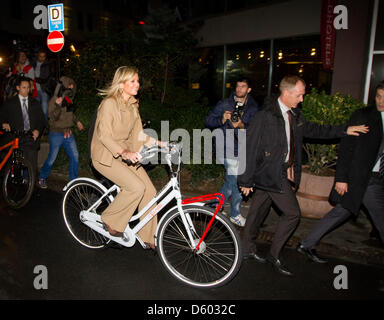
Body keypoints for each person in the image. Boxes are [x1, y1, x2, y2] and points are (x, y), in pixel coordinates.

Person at [237, 75, 369, 276]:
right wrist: (245, 180)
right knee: (292, 215)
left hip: (276, 173)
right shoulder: (266, 116)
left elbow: (316, 130)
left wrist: (345, 130)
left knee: (256, 213)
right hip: (272, 173)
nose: (302, 99)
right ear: (286, 93)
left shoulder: (295, 115)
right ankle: (274, 255)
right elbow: (250, 147)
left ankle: (246, 249)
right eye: (299, 95)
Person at [297, 81, 384, 262]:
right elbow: (347, 149)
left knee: (342, 211)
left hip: (377, 178)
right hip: (366, 180)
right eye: (378, 96)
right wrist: (341, 178)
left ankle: (306, 243)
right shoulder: (364, 116)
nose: (381, 101)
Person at [90, 66, 167, 249]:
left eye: (137, 81)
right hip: (105, 156)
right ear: (121, 83)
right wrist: (124, 152)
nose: (137, 84)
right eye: (132, 81)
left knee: (149, 191)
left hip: (125, 155)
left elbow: (139, 135)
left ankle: (148, 235)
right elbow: (104, 136)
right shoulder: (109, 104)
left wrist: (161, 144)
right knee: (135, 187)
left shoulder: (133, 105)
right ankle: (110, 219)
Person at [205, 78, 258, 226]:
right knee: (234, 181)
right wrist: (222, 119)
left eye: (243, 86)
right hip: (225, 148)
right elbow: (208, 121)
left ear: (249, 90)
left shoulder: (253, 107)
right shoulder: (224, 104)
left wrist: (241, 125)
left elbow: (254, 130)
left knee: (233, 182)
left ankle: (215, 206)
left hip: (242, 149)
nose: (239, 89)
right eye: (237, 86)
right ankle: (232, 213)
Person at [38, 76, 83, 188]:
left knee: (75, 156)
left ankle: (72, 182)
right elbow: (53, 119)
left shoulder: (69, 98)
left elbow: (70, 114)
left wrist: (77, 122)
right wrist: (58, 106)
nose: (72, 86)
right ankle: (42, 177)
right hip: (56, 134)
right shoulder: (54, 100)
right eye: (69, 84)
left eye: (72, 84)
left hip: (68, 133)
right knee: (52, 158)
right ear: (63, 85)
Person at [0, 77, 46, 176]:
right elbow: (2, 116)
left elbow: (41, 120)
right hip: (14, 136)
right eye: (24, 87)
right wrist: (3, 123)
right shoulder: (10, 103)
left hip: (29, 136)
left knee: (32, 165)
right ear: (18, 88)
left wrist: (37, 130)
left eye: (28, 87)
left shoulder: (35, 103)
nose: (26, 90)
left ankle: (31, 186)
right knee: (13, 165)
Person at [32, 49, 53, 120]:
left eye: (43, 56)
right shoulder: (33, 64)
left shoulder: (47, 65)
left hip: (44, 90)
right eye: (40, 56)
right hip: (34, 90)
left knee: (44, 109)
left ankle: (45, 125)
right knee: (36, 109)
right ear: (38, 56)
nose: (42, 58)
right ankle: (38, 126)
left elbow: (45, 79)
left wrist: (34, 78)